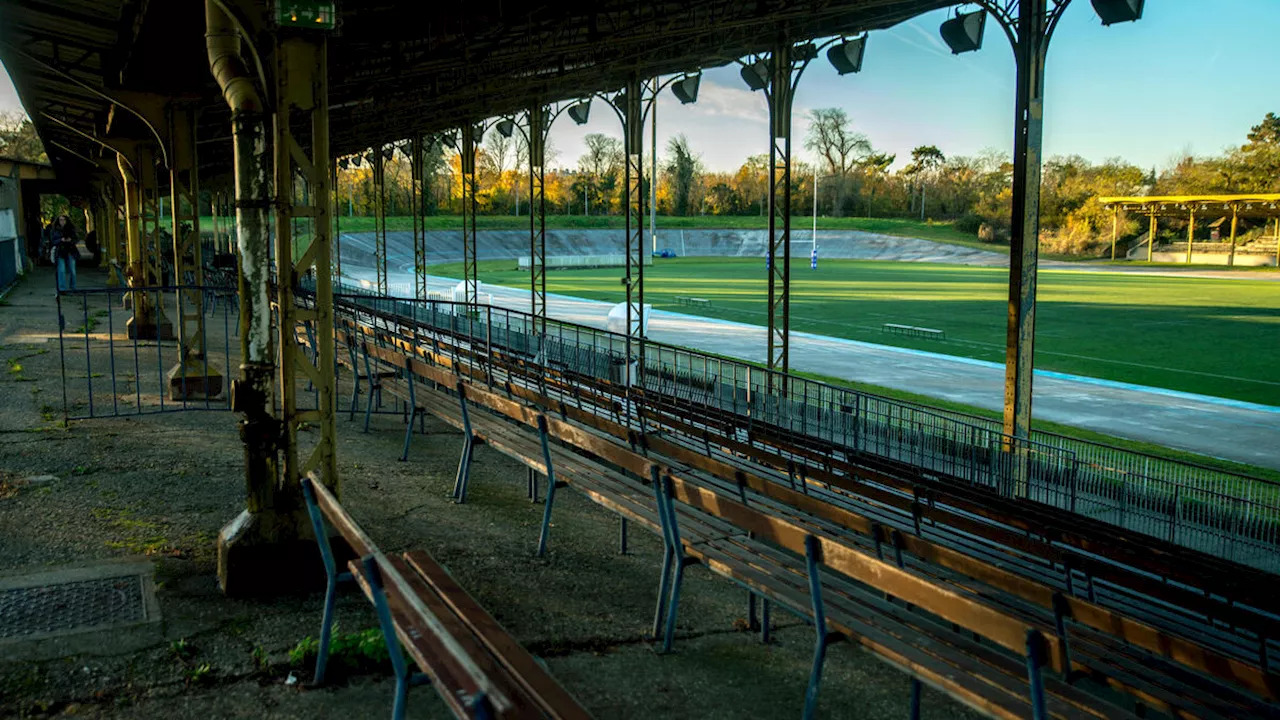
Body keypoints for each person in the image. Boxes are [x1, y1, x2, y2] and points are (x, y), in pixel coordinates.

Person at [51, 215, 78, 293]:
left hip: (70, 250)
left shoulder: (71, 229)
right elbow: (53, 241)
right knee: (61, 270)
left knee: (72, 270)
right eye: (60, 220)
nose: (62, 221)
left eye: (63, 220)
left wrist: (71, 240)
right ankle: (62, 288)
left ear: (67, 221)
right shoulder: (55, 230)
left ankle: (73, 287)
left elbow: (76, 239)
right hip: (60, 251)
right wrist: (61, 240)